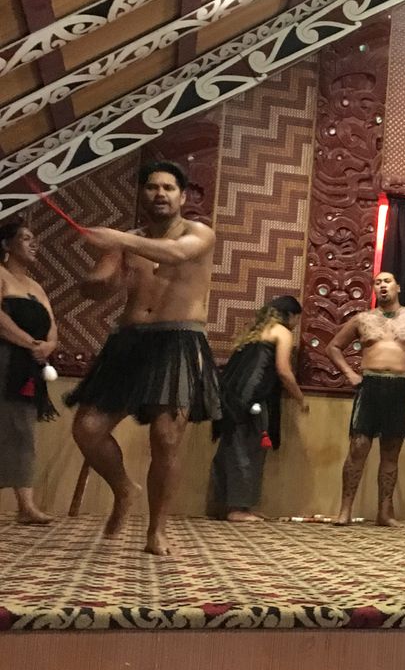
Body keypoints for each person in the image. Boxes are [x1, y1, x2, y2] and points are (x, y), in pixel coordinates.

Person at [68, 160, 221, 555]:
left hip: (178, 339)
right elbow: (96, 289)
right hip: (130, 340)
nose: (160, 194)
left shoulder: (198, 233)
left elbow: (175, 254)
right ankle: (123, 488)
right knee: (87, 428)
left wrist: (118, 239)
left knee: (166, 437)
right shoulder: (126, 241)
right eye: (152, 187)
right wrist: (100, 275)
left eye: (168, 188)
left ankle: (157, 530)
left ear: (183, 196)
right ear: (142, 194)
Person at [327, 271, 405, 527]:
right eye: (378, 282)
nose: (382, 286)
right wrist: (349, 373)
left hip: (400, 386)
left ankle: (385, 512)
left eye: (387, 281)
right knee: (358, 448)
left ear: (398, 287)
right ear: (374, 289)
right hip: (370, 385)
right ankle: (345, 510)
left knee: (391, 453)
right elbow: (333, 347)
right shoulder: (363, 319)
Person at [210, 296, 309, 522]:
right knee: (248, 451)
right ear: (291, 315)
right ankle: (238, 509)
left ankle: (236, 505)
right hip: (251, 401)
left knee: (232, 450)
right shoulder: (282, 332)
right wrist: (300, 398)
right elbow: (283, 371)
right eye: (297, 318)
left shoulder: (254, 331)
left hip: (232, 398)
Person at [0, 219, 57, 525]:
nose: (34, 244)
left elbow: (52, 325)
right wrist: (29, 342)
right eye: (25, 238)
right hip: (4, 359)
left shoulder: (36, 287)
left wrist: (48, 346)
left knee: (23, 430)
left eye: (35, 238)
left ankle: (26, 506)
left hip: (28, 366)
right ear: (6, 244)